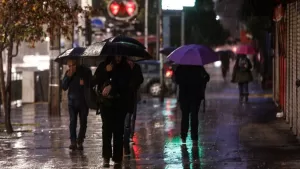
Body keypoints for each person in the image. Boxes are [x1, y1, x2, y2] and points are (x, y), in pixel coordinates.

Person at [93, 55, 131, 167]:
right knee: (107, 130)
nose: (118, 58)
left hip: (120, 104)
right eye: (116, 55)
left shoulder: (125, 67)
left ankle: (117, 158)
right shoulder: (103, 65)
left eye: (120, 55)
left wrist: (112, 86)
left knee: (119, 131)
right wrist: (106, 71)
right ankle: (106, 156)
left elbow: (125, 83)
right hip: (106, 104)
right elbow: (95, 80)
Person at [62, 59, 93, 150]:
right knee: (72, 121)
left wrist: (85, 83)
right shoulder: (68, 73)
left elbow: (92, 83)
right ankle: (73, 141)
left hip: (83, 102)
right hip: (72, 101)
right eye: (69, 66)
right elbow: (64, 87)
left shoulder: (86, 71)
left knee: (83, 122)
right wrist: (68, 77)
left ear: (77, 63)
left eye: (73, 65)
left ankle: (80, 140)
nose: (71, 68)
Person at [175, 65, 210, 144]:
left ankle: (184, 135)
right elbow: (207, 78)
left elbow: (176, 80)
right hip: (195, 95)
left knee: (185, 116)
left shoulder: (180, 67)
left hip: (184, 96)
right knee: (194, 116)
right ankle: (194, 136)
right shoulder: (198, 67)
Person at [124, 59, 144, 155]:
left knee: (133, 116)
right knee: (127, 117)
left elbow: (141, 79)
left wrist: (134, 83)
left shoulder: (136, 67)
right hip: (125, 96)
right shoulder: (123, 67)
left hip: (134, 95)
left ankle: (130, 135)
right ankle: (126, 137)